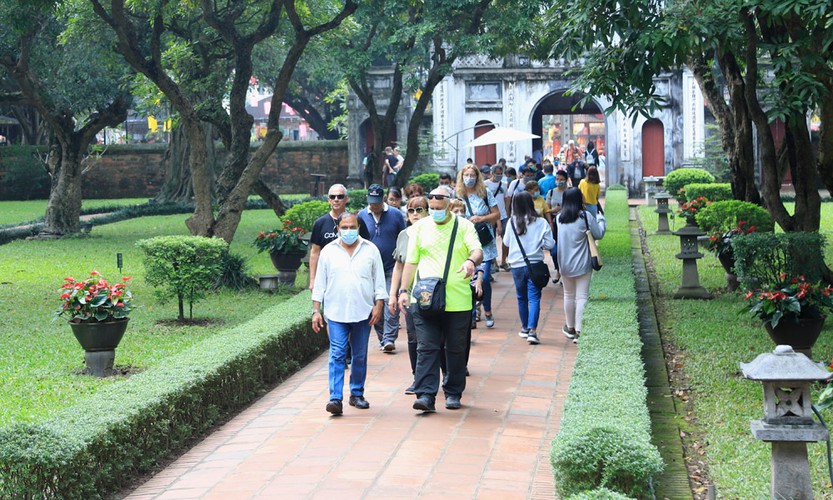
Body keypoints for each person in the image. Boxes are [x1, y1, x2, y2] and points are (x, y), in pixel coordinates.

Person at [397, 188, 483, 412]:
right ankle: (425, 395)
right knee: (426, 347)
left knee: (455, 348)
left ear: (449, 205)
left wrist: (470, 261)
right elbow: (411, 261)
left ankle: (453, 392)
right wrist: (403, 290)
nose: (435, 212)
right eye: (432, 208)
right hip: (425, 298)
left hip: (458, 300)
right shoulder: (420, 228)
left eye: (439, 208)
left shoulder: (464, 226)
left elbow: (477, 250)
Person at [312, 212, 387, 415]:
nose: (348, 231)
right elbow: (320, 283)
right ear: (337, 229)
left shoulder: (370, 249)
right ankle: (335, 398)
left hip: (363, 311)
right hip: (336, 312)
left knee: (359, 355)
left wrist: (379, 304)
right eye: (344, 228)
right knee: (337, 354)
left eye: (352, 227)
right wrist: (316, 310)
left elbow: (379, 280)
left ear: (359, 228)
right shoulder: (329, 251)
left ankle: (357, 393)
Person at [499, 192, 555, 345]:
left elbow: (506, 243)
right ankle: (532, 331)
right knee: (534, 298)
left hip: (517, 265)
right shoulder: (541, 222)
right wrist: (538, 244)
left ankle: (524, 327)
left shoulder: (511, 222)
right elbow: (550, 244)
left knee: (521, 297)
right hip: (535, 265)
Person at [358, 184, 407, 352]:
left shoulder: (396, 215)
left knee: (390, 303)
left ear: (384, 199)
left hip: (392, 267)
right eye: (372, 202)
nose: (375, 205)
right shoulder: (362, 215)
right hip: (371, 269)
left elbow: (403, 237)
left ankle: (389, 338)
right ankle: (382, 338)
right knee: (376, 304)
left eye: (377, 202)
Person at [389, 195, 430, 393]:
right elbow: (399, 266)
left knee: (433, 337)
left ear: (428, 211)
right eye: (411, 210)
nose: (415, 214)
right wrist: (393, 294)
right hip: (410, 294)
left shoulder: (434, 233)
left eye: (419, 210)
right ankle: (417, 378)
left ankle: (443, 373)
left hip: (431, 292)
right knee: (413, 337)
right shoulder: (403, 235)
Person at [556, 188, 606, 344]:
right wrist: (601, 220)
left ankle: (570, 327)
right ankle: (579, 331)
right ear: (579, 199)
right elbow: (599, 234)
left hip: (564, 264)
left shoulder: (559, 218)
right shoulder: (585, 217)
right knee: (582, 296)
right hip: (583, 263)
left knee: (568, 295)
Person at [456, 164, 500, 328]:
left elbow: (496, 214)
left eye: (472, 175)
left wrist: (481, 219)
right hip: (466, 241)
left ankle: (487, 309)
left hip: (484, 241)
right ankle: (473, 314)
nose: (469, 178)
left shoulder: (485, 193)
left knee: (484, 277)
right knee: (469, 277)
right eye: (466, 175)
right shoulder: (458, 195)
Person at [309, 184, 371, 290]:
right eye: (332, 197)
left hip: (353, 274)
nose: (336, 199)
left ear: (346, 199)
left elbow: (366, 248)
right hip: (328, 274)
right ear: (329, 200)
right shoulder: (320, 223)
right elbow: (315, 252)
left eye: (340, 196)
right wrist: (312, 280)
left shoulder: (356, 221)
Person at [545, 170, 570, 283]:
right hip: (554, 224)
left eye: (561, 179)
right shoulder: (551, 193)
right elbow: (546, 210)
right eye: (557, 179)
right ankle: (558, 269)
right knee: (554, 251)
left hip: (568, 223)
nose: (559, 181)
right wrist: (552, 214)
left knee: (566, 249)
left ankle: (564, 273)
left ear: (566, 180)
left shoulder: (570, 192)